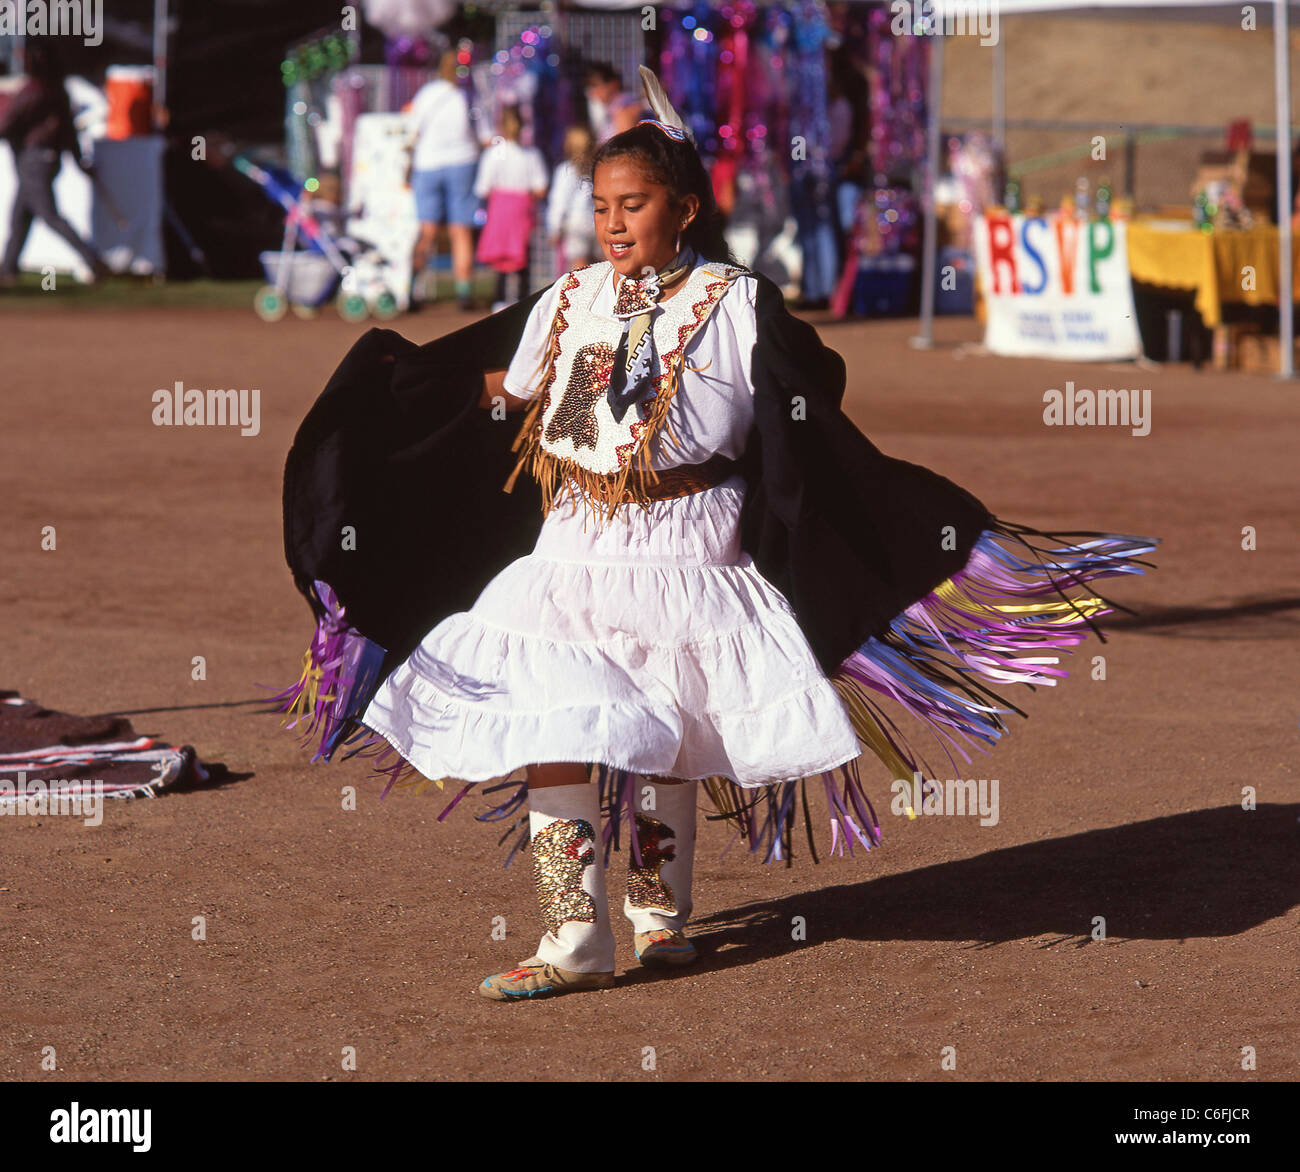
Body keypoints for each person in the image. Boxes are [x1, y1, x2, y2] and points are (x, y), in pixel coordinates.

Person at [274, 67, 1157, 1003]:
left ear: (684, 207)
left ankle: (661, 919)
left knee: (670, 734)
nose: (615, 224)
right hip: (573, 546)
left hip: (690, 548)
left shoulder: (738, 304)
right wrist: (402, 394)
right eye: (603, 206)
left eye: (636, 204)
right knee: (552, 721)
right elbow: (509, 390)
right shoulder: (566, 302)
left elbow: (808, 411)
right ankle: (572, 932)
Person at [0, 40, 109, 286]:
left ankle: (92, 260)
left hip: (34, 162)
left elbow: (8, 124)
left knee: (48, 215)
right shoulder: (58, 91)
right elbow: (69, 134)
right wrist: (80, 161)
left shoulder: (34, 91)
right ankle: (8, 269)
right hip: (45, 161)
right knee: (20, 216)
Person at [404, 48, 481, 311]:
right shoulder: (470, 95)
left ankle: (411, 288)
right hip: (463, 162)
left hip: (428, 163)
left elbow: (411, 129)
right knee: (461, 230)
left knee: (426, 230)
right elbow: (482, 133)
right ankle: (464, 292)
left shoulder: (428, 94)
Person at [472, 105, 547, 312]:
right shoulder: (531, 155)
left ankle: (500, 299)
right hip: (521, 210)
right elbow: (540, 187)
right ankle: (523, 300)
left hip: (500, 210)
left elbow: (482, 187)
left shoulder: (494, 154)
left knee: (502, 256)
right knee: (522, 254)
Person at [546, 123, 597, 276]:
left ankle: (581, 296)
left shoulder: (564, 171)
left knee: (579, 266)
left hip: (574, 224)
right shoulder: (594, 169)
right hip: (593, 222)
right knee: (595, 266)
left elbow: (559, 202)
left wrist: (554, 227)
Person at [584, 62, 644, 145]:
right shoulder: (611, 110)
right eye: (590, 87)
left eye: (596, 85)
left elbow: (625, 147)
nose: (593, 91)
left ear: (613, 84)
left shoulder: (624, 109)